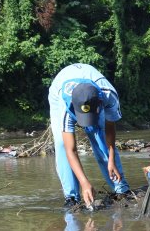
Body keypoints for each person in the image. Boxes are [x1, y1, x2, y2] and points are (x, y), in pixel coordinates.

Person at [48, 63, 130, 208]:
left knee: (99, 133)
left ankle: (121, 189)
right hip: (59, 92)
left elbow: (110, 129)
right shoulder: (66, 108)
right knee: (61, 144)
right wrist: (84, 183)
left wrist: (111, 159)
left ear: (100, 105)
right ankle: (71, 197)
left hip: (93, 92)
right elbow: (70, 150)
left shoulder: (109, 96)